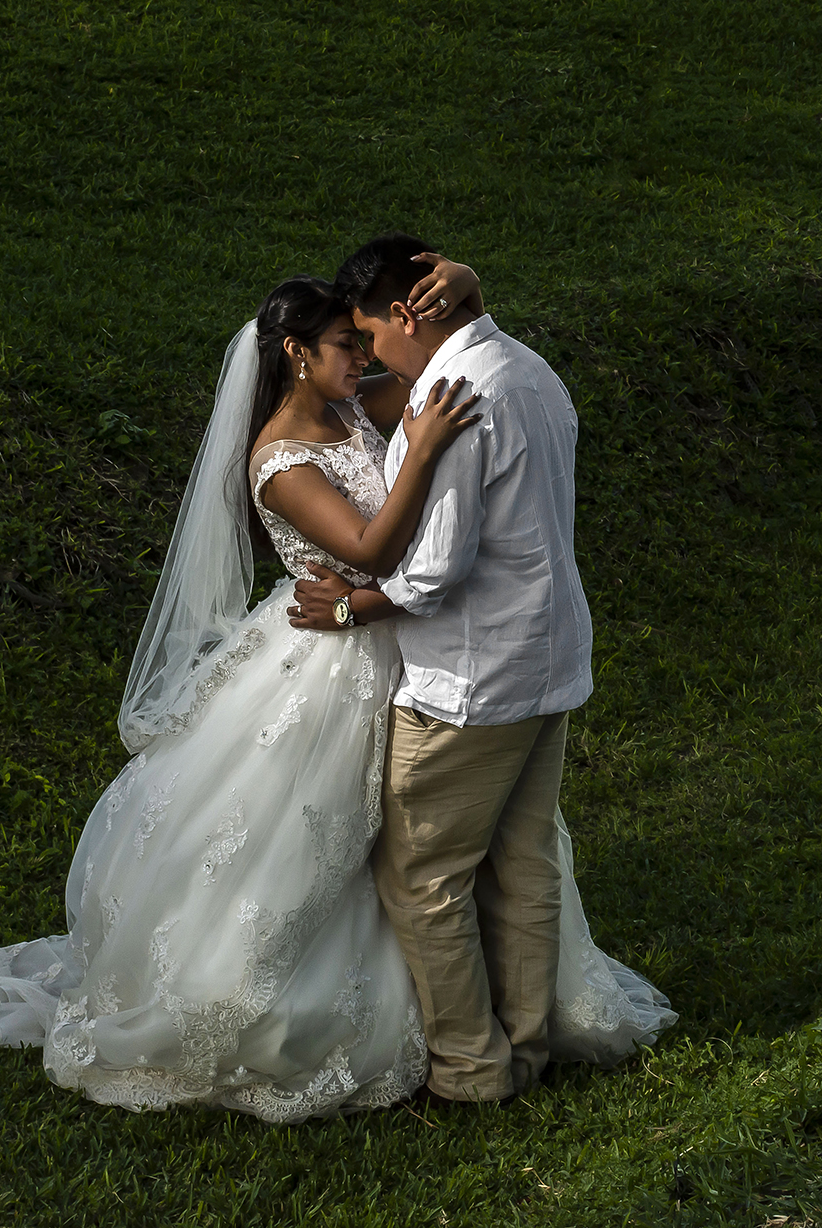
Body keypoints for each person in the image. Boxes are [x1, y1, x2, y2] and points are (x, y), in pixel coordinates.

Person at [0, 256, 675, 1121]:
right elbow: (371, 548)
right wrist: (422, 451)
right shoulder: (278, 459)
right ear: (296, 353)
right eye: (345, 346)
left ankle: (477, 1034)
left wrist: (463, 303)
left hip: (398, 641)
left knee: (425, 850)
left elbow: (436, 358)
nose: (365, 360)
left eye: (363, 341)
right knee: (334, 840)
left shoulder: (358, 403)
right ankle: (400, 1029)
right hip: (333, 650)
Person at [287, 232, 606, 1104]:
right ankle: (527, 1050)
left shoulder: (454, 393)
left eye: (372, 335)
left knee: (422, 876)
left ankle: (471, 1072)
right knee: (525, 862)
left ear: (403, 313)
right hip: (546, 660)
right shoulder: (527, 366)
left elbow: (432, 568)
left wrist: (350, 607)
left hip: (471, 682)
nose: (372, 356)